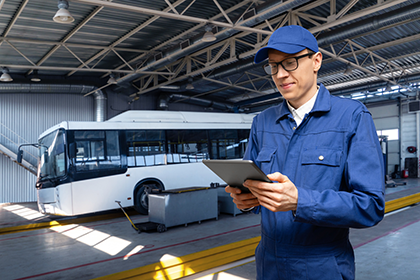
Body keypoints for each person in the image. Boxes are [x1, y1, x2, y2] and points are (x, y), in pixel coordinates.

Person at [225, 25, 385, 280]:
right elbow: (254, 186)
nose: (280, 74)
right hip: (269, 265)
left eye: (289, 62)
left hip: (322, 266)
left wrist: (301, 201)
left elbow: (371, 206)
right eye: (273, 66)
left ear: (316, 60)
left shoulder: (352, 117)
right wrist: (247, 201)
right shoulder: (262, 122)